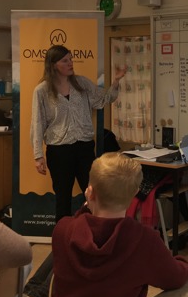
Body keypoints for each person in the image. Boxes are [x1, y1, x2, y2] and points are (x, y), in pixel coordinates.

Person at [24, 152, 188, 297]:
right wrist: (180, 261)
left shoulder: (63, 229)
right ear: (134, 194)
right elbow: (177, 277)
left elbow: (80, 226)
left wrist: (86, 208)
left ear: (90, 193)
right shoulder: (145, 241)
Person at [30, 44, 127, 222]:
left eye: (71, 59)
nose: (70, 63)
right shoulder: (42, 91)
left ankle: (94, 231)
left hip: (84, 148)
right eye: (65, 60)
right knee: (62, 197)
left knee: (93, 194)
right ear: (53, 65)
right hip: (59, 150)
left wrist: (116, 81)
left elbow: (103, 99)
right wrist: (38, 155)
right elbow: (37, 123)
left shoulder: (82, 83)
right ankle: (63, 235)